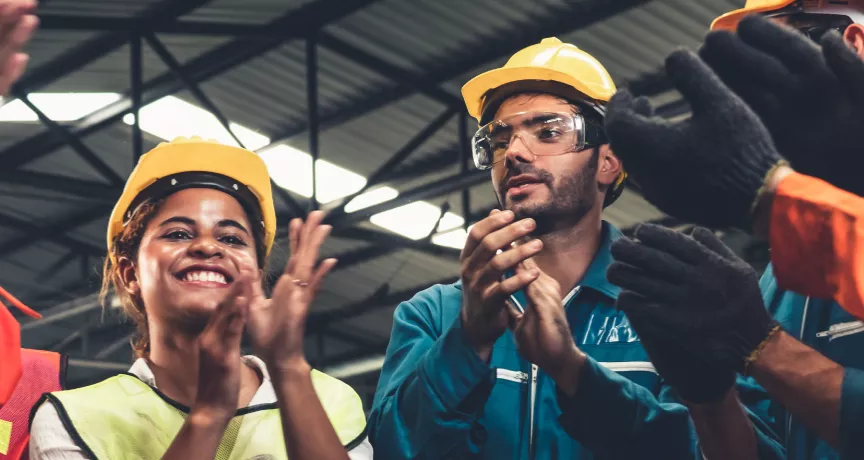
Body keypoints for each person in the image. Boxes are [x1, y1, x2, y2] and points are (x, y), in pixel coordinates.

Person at [367, 37, 783, 459]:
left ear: (608, 161)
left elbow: (750, 451)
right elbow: (393, 449)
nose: (514, 152)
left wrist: (577, 375)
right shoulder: (434, 316)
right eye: (498, 139)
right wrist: (466, 342)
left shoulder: (677, 301)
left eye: (548, 132)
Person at [602, 16, 864, 459]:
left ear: (853, 41)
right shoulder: (774, 286)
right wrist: (711, 401)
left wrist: (760, 345)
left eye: (786, 47)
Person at [28, 137, 372, 459]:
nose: (209, 247)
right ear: (130, 273)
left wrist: (288, 368)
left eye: (233, 239)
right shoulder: (73, 419)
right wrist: (210, 413)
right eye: (178, 233)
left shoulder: (328, 400)